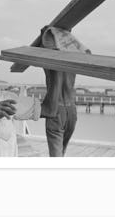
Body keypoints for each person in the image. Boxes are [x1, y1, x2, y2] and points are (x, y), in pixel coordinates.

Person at [40, 26, 91, 156]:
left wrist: (43, 34)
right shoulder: (73, 57)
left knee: (56, 156)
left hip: (56, 108)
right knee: (62, 152)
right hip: (71, 110)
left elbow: (38, 49)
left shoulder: (49, 58)